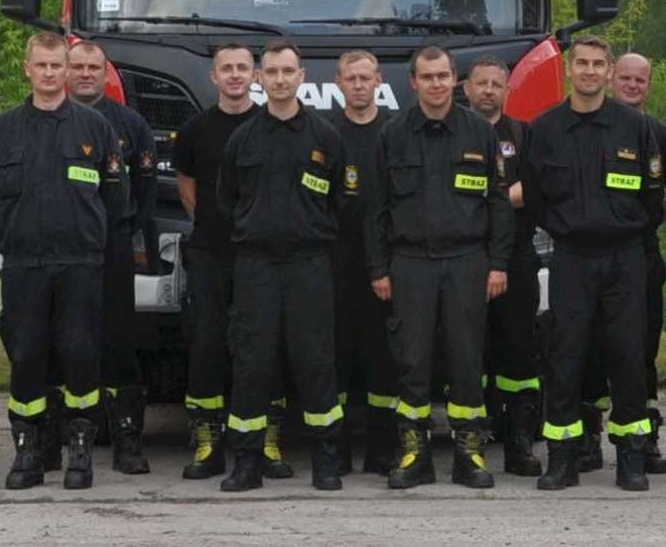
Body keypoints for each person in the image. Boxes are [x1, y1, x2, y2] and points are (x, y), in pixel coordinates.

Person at [524, 37, 666, 491]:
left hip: (624, 256)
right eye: (582, 63)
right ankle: (562, 458)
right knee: (565, 358)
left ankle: (630, 456)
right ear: (570, 70)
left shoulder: (634, 127)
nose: (589, 71)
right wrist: (568, 227)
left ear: (609, 72)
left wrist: (622, 227)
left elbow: (653, 195)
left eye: (598, 64)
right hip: (570, 257)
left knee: (628, 356)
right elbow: (535, 197)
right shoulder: (545, 128)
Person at [214, 40, 361, 492]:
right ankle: (246, 462)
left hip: (308, 264)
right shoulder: (242, 139)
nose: (280, 79)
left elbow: (342, 201)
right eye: (272, 72)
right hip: (256, 265)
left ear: (302, 77)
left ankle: (326, 460)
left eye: (288, 71)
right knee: (251, 363)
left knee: (316, 360)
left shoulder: (325, 137)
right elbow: (227, 200)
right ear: (261, 78)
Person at [0, 32, 122, 491]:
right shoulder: (2, 129)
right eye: (40, 65)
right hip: (24, 264)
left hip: (80, 263)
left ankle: (79, 450)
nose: (48, 73)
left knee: (81, 354)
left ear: (66, 70)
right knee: (26, 357)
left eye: (56, 65)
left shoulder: (95, 128)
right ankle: (30, 451)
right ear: (27, 69)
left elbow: (115, 198)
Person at [372, 46, 512, 490]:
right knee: (411, 360)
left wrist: (498, 264)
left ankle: (469, 454)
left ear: (456, 81)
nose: (436, 84)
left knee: (466, 359)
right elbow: (375, 209)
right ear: (413, 83)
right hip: (410, 263)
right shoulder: (392, 134)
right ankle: (414, 454)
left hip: (466, 261)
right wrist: (378, 269)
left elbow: (499, 203)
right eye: (427, 77)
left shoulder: (479, 132)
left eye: (443, 76)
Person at [68, 40, 161, 477]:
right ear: (65, 71)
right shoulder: (47, 121)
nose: (86, 74)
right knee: (67, 341)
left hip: (113, 245)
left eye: (94, 67)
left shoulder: (130, 124)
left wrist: (122, 230)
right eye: (78, 66)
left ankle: (127, 439)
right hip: (62, 250)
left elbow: (145, 189)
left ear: (105, 73)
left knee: (120, 341)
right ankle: (68, 436)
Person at [172, 44, 262, 480]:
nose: (235, 75)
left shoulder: (268, 127)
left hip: (258, 254)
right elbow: (187, 189)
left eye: (242, 67)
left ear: (255, 75)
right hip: (209, 251)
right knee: (206, 343)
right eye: (227, 68)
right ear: (214, 76)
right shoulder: (195, 130)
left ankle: (263, 439)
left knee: (258, 345)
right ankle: (207, 440)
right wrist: (211, 224)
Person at [323, 50, 402, 477]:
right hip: (336, 259)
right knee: (334, 355)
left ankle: (381, 449)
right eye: (350, 78)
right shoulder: (325, 133)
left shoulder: (395, 132)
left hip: (386, 263)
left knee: (383, 357)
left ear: (379, 81)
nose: (358, 85)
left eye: (365, 78)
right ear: (338, 83)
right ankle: (335, 451)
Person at [466, 58, 545, 478]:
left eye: (497, 84)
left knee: (519, 351)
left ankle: (519, 443)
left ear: (507, 91)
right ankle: (473, 439)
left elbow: (536, 185)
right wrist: (500, 196)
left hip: (516, 258)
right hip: (465, 258)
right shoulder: (455, 131)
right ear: (467, 89)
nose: (489, 90)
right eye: (481, 83)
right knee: (469, 352)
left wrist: (489, 198)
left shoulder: (523, 135)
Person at [610, 51, 666, 477]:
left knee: (641, 351)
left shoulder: (662, 135)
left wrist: (648, 220)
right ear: (611, 79)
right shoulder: (590, 126)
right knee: (588, 350)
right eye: (626, 78)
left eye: (640, 79)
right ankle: (586, 436)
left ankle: (645, 435)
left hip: (642, 255)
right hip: (589, 256)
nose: (632, 85)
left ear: (649, 85)